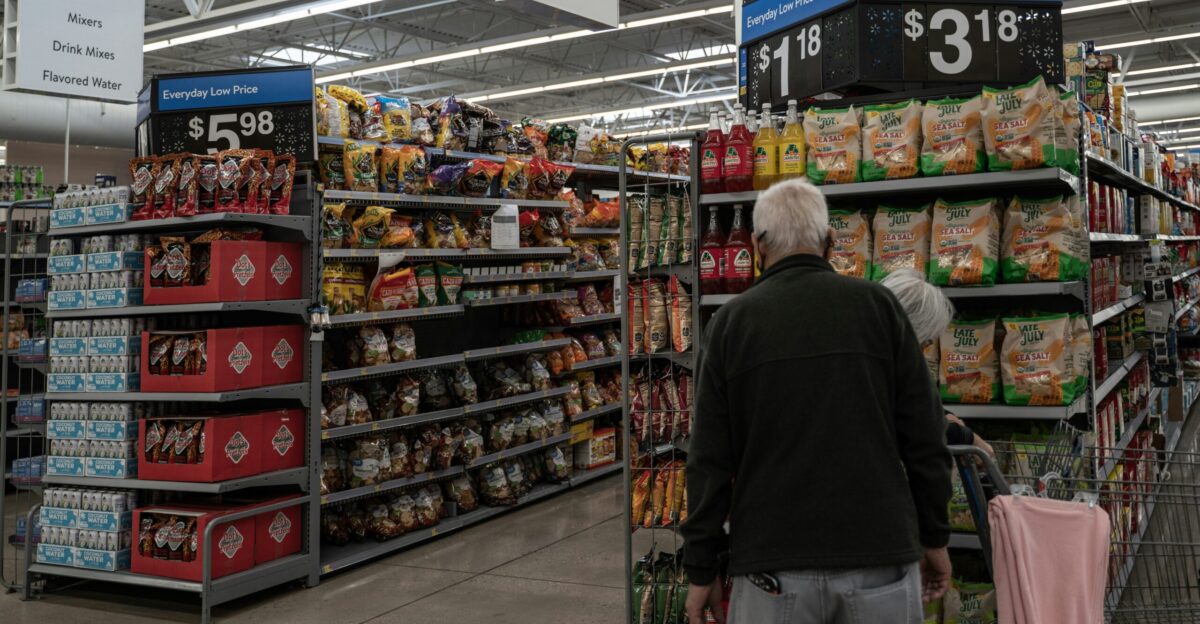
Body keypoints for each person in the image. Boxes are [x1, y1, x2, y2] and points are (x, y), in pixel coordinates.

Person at [682, 179, 953, 624]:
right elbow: (926, 438)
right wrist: (934, 537)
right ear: (829, 243)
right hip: (879, 555)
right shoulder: (879, 308)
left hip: (771, 566)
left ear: (756, 246)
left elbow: (708, 460)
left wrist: (700, 567)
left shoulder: (731, 323)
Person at [880, 269, 995, 459]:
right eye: (925, 343)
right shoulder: (876, 366)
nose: (923, 353)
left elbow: (911, 403)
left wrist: (944, 418)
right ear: (911, 331)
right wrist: (965, 437)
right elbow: (907, 421)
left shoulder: (874, 353)